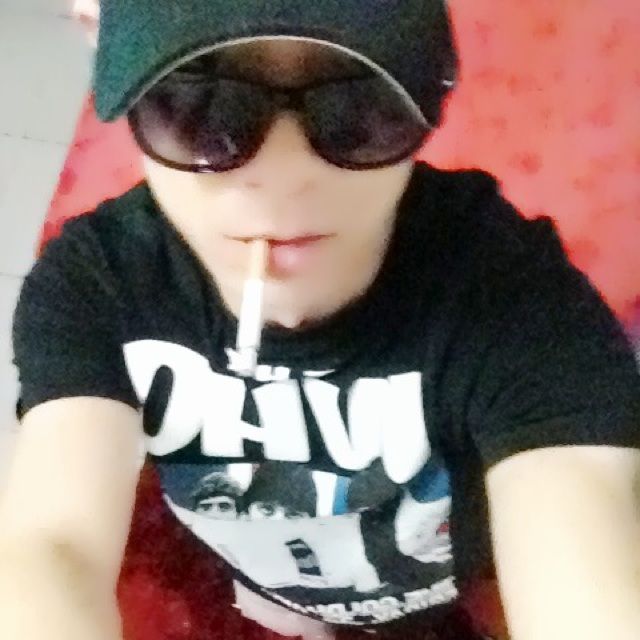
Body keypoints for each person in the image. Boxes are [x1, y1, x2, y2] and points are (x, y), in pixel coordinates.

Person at [1, 2, 640, 639]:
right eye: (202, 105)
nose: (284, 178)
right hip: (258, 596)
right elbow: (52, 545)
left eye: (358, 107)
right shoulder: (99, 284)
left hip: (463, 592)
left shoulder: (507, 290)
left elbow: (579, 522)